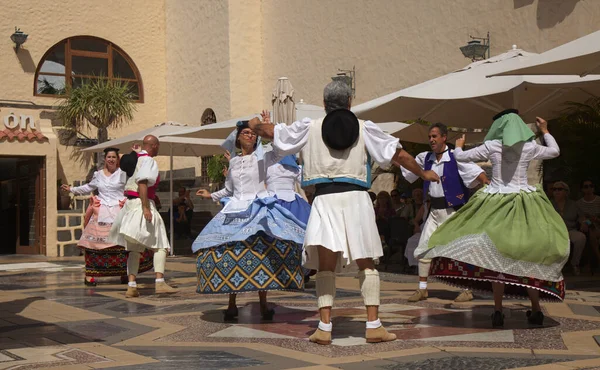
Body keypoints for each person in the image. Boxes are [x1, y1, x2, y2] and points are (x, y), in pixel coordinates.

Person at [249, 80, 439, 345]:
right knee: (366, 263)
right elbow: (400, 155)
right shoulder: (366, 129)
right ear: (350, 103)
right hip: (357, 199)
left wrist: (255, 124)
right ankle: (373, 325)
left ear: (325, 104)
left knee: (326, 266)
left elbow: (271, 133)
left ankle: (324, 327)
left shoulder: (309, 128)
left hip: (325, 199)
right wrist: (424, 173)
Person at [416, 111, 569, 328]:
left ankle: (497, 311)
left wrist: (459, 145)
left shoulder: (493, 146)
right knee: (528, 260)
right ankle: (535, 310)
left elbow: (460, 157)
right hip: (525, 205)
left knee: (496, 258)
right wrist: (544, 131)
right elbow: (555, 151)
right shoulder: (529, 146)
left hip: (495, 204)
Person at [193, 121, 306, 321]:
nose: (250, 136)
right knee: (229, 252)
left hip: (257, 210)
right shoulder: (234, 162)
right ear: (237, 138)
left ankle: (263, 304)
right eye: (245, 133)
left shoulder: (265, 156)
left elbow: (280, 147)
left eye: (253, 133)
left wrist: (270, 125)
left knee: (258, 254)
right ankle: (231, 304)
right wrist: (211, 196)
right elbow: (229, 190)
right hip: (233, 210)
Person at [401, 123, 489, 303]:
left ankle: (467, 290)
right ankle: (423, 289)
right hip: (434, 211)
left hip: (454, 212)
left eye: (434, 136)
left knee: (460, 250)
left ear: (444, 137)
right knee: (424, 248)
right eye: (429, 137)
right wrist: (393, 155)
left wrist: (487, 186)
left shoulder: (456, 157)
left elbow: (478, 174)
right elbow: (407, 165)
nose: (431, 140)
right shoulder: (425, 158)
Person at [63, 148, 154, 286]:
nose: (111, 159)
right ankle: (90, 275)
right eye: (109, 157)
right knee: (93, 245)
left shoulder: (123, 174)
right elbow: (88, 187)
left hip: (119, 210)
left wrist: (137, 153)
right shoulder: (98, 175)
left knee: (123, 245)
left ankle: (125, 273)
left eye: (114, 157)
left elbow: (135, 183)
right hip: (101, 210)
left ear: (118, 159)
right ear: (105, 159)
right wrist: (72, 190)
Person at [109, 135, 177, 298]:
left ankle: (131, 286)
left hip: (129, 206)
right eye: (158, 146)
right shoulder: (149, 161)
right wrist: (146, 208)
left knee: (134, 249)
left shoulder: (134, 158)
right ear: (154, 146)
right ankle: (160, 283)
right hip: (141, 204)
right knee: (161, 244)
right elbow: (142, 184)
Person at [552, 181, 587, 275]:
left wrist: (584, 223)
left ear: (566, 192)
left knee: (581, 238)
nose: (556, 191)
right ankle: (554, 266)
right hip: (554, 231)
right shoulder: (548, 204)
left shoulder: (573, 204)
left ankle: (575, 264)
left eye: (559, 189)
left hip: (570, 230)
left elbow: (583, 217)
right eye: (554, 189)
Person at [577, 179, 600, 269]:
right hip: (589, 227)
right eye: (586, 186)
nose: (589, 188)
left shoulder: (599, 200)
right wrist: (589, 222)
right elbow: (581, 218)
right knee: (591, 231)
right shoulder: (579, 203)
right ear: (582, 189)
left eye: (591, 186)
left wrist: (596, 219)